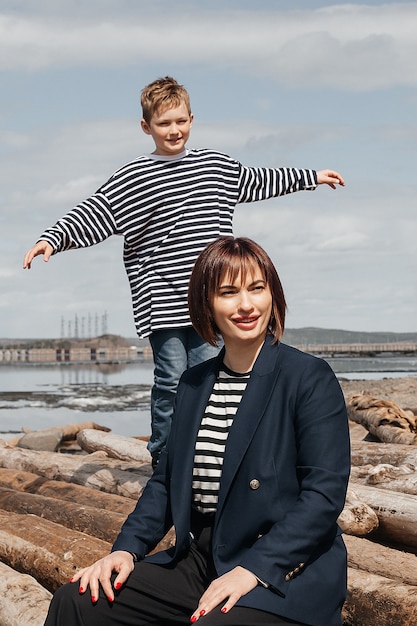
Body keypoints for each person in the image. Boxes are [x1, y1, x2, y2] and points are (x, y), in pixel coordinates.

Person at [23, 76, 345, 468]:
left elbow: (260, 180)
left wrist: (311, 177)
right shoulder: (134, 178)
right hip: (161, 300)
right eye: (163, 123)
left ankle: (212, 455)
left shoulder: (215, 166)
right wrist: (53, 239)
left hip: (212, 302)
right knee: (172, 381)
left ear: (191, 119)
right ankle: (166, 458)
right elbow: (96, 213)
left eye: (180, 121)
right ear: (147, 127)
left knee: (211, 379)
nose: (173, 130)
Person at [43, 236, 351, 626]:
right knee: (77, 600)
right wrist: (126, 550)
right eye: (228, 292)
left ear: (273, 295)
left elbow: (324, 496)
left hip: (286, 568)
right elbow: (166, 481)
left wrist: (253, 569)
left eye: (257, 288)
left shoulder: (307, 377)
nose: (245, 305)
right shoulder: (193, 383)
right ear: (206, 303)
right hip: (205, 558)